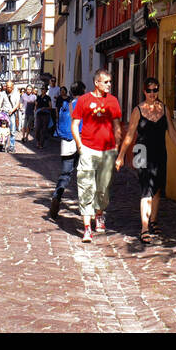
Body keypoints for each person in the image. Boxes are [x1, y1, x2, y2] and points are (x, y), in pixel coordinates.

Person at [115, 77, 176, 244]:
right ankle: (144, 227)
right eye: (149, 90)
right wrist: (121, 156)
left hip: (159, 152)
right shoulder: (138, 110)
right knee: (146, 189)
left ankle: (153, 220)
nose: (152, 93)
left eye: (155, 90)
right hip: (141, 152)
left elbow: (171, 131)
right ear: (144, 91)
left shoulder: (163, 109)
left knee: (157, 188)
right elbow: (129, 135)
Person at [72, 69, 123, 242]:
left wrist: (117, 147)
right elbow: (75, 124)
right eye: (106, 81)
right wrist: (80, 146)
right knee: (86, 185)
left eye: (110, 81)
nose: (109, 84)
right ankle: (87, 228)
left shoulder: (113, 101)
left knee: (103, 187)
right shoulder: (84, 100)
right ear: (97, 83)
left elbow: (117, 125)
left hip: (108, 150)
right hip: (88, 148)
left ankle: (99, 212)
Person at [48, 81, 85, 219]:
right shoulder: (84, 105)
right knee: (85, 175)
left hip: (67, 142)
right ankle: (86, 207)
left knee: (65, 174)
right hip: (82, 141)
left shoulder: (67, 105)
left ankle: (57, 196)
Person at [0, 82, 17, 147]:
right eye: (7, 87)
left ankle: (12, 146)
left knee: (12, 131)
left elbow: (17, 103)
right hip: (4, 113)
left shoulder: (16, 93)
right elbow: (0, 102)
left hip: (12, 113)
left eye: (9, 87)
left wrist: (12, 110)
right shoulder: (3, 93)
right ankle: (1, 143)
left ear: (12, 87)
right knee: (2, 128)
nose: (8, 88)